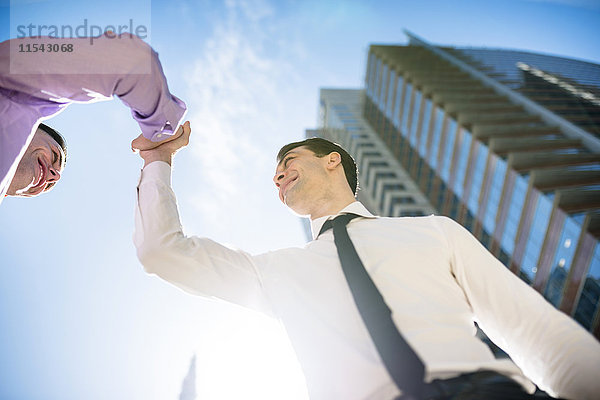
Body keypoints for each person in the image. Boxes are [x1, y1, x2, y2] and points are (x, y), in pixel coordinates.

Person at [134, 123, 600, 400]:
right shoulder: (273, 272)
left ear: (332, 161)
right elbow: (163, 252)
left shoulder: (432, 231)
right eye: (274, 176)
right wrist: (159, 161)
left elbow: (537, 333)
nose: (277, 176)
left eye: (288, 161)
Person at [0, 32, 186, 203]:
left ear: (8, 193)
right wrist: (160, 131)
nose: (54, 176)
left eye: (50, 185)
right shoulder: (17, 96)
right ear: (32, 129)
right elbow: (130, 62)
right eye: (55, 155)